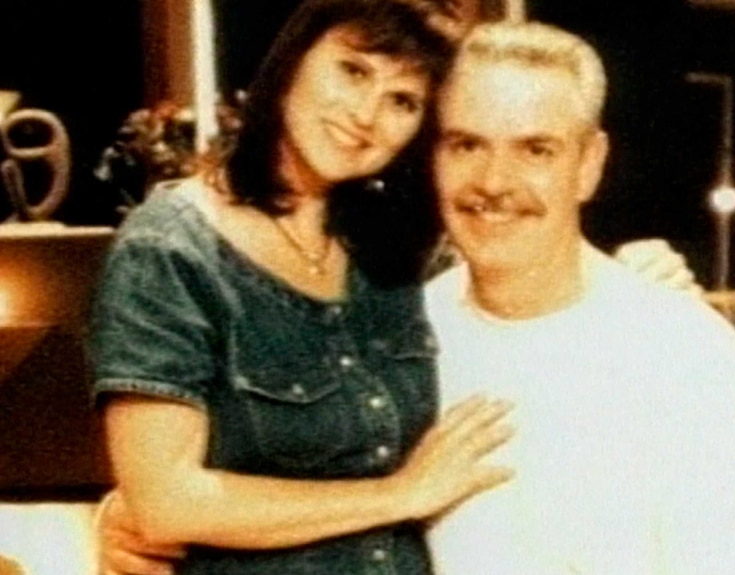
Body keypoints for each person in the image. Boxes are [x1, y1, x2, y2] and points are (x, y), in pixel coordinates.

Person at [89, 1, 703, 574]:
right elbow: (167, 505)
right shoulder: (171, 249)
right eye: (353, 71)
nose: (366, 115)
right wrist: (400, 494)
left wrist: (635, 281)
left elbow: (525, 289)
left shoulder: (390, 246)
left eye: (403, 101)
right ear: (294, 59)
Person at [424, 21, 735, 574]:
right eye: (466, 144)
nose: (494, 180)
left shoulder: (688, 355)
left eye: (536, 149)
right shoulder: (406, 334)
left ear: (589, 164)